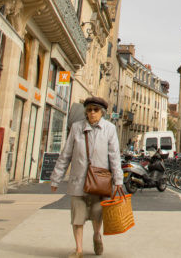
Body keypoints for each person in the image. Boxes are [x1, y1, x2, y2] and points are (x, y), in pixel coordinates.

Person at [51, 96, 124, 258]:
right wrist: (56, 177)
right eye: (89, 110)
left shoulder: (109, 129)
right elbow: (66, 154)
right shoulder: (77, 128)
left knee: (97, 214)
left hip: (100, 182)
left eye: (95, 110)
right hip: (78, 181)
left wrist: (118, 180)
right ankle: (78, 250)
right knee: (77, 217)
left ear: (102, 113)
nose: (92, 113)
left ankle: (97, 235)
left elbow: (114, 157)